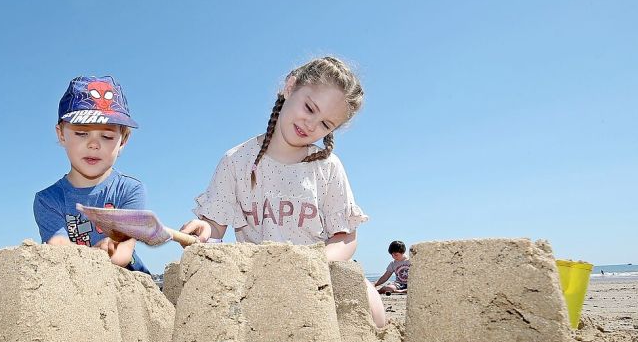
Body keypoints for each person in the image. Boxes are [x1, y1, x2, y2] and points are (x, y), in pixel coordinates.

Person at [180, 56, 387, 327]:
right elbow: (214, 228)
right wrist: (203, 230)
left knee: (371, 303)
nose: (312, 125)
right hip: (257, 277)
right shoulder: (236, 161)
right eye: (310, 108)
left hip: (317, 274)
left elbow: (345, 237)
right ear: (290, 88)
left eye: (326, 124)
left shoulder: (328, 167)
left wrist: (312, 263)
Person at [34, 75, 150, 274]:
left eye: (106, 136)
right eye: (81, 133)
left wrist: (110, 250)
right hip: (75, 285)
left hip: (125, 286)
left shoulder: (130, 191)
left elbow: (124, 250)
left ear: (122, 141)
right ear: (61, 134)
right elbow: (59, 247)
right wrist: (94, 256)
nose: (94, 144)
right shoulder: (48, 200)